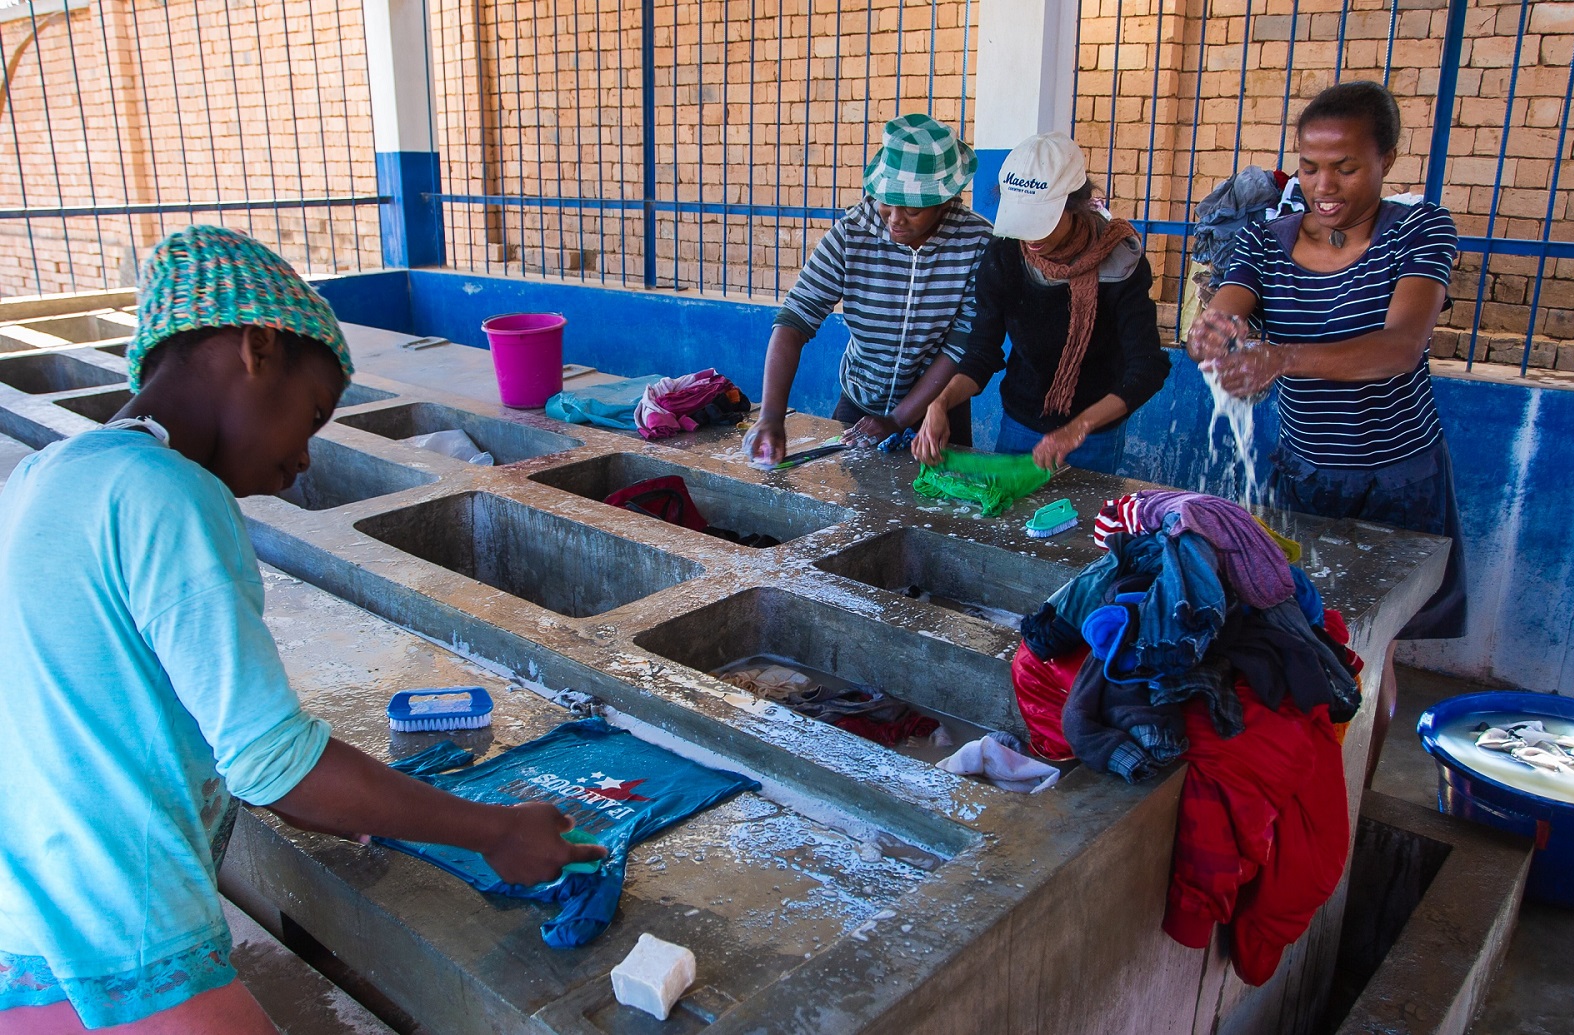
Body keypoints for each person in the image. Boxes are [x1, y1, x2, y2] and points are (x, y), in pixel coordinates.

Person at [0, 226, 605, 1033]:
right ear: (257, 349)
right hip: (127, 945)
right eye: (313, 415)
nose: (306, 460)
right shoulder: (170, 496)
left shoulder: (49, 475)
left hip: (30, 945)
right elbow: (272, 764)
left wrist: (355, 797)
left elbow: (119, 704)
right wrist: (495, 829)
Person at [1185, 80, 1467, 783]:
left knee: (1373, 648)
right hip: (1306, 475)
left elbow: (1400, 346)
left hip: (1397, 481)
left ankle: (1354, 792)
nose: (1323, 184)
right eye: (1309, 166)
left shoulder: (1420, 232)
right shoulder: (1266, 240)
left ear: (1386, 160)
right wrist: (1219, 328)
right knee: (1310, 635)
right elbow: (1233, 298)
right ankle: (1307, 785)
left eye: (1345, 166)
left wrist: (1284, 357)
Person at [913, 132, 1170, 472]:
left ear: (1075, 204)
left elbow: (1147, 367)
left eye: (1043, 223)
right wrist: (940, 403)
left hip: (1094, 435)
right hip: (1020, 423)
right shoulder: (1004, 253)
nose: (1032, 239)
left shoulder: (1120, 261)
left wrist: (1076, 430)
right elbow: (981, 352)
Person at [746, 113, 992, 465]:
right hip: (860, 404)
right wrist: (771, 414)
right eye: (886, 202)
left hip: (939, 409)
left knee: (935, 513)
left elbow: (959, 347)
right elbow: (795, 319)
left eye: (911, 209)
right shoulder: (851, 234)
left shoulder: (977, 243)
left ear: (944, 200)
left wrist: (898, 419)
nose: (894, 218)